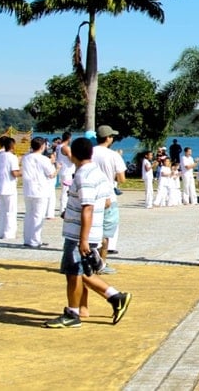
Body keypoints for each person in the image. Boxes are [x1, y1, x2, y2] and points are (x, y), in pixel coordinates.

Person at [43, 137, 131, 328]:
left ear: (73, 154)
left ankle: (73, 313)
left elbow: (88, 208)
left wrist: (83, 239)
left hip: (79, 234)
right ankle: (114, 297)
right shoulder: (96, 173)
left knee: (73, 273)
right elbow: (106, 201)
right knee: (82, 272)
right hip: (89, 230)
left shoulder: (83, 176)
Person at [91, 125, 126, 273]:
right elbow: (122, 178)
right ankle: (102, 263)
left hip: (91, 195)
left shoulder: (89, 152)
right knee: (106, 232)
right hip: (108, 196)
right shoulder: (113, 155)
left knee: (91, 229)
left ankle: (90, 260)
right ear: (108, 138)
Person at [22, 137, 57, 247]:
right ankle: (35, 240)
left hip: (28, 189)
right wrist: (58, 168)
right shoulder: (44, 159)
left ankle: (27, 239)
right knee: (38, 216)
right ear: (42, 146)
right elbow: (51, 174)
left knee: (29, 214)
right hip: (40, 190)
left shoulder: (26, 158)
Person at [0, 136, 21, 240]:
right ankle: (9, 233)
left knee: (2, 210)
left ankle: (0, 232)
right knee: (10, 211)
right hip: (8, 186)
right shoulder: (12, 157)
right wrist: (24, 172)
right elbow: (14, 172)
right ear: (12, 146)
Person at [56, 132, 75, 213]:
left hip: (62, 170)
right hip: (67, 171)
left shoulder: (58, 147)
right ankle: (63, 208)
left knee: (64, 190)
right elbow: (72, 159)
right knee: (66, 190)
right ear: (69, 138)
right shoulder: (66, 147)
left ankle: (63, 207)